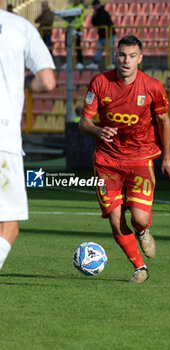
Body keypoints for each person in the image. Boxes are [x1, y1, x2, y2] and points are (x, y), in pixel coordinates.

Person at [79, 35, 170, 283]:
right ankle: (140, 269)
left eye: (132, 56)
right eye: (122, 55)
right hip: (107, 160)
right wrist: (99, 130)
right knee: (115, 220)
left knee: (139, 218)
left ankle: (142, 231)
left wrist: (167, 157)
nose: (126, 61)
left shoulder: (153, 87)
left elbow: (164, 120)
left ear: (140, 59)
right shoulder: (100, 83)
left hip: (140, 158)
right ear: (116, 55)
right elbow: (84, 122)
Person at [0, 9, 56, 271]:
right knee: (8, 225)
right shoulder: (19, 26)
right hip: (4, 138)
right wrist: (20, 84)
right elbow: (47, 82)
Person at [86, 0, 116, 70]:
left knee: (110, 50)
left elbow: (100, 22)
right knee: (99, 50)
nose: (94, 7)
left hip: (109, 35)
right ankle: (95, 63)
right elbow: (94, 24)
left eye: (95, 5)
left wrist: (95, 16)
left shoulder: (103, 13)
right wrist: (93, 16)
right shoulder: (97, 13)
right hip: (102, 36)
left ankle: (113, 64)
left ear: (98, 5)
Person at [62, 0, 85, 70]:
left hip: (77, 29)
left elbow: (79, 16)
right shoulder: (69, 7)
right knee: (67, 45)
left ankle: (80, 62)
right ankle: (68, 62)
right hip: (69, 29)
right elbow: (66, 18)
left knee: (77, 46)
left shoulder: (81, 7)